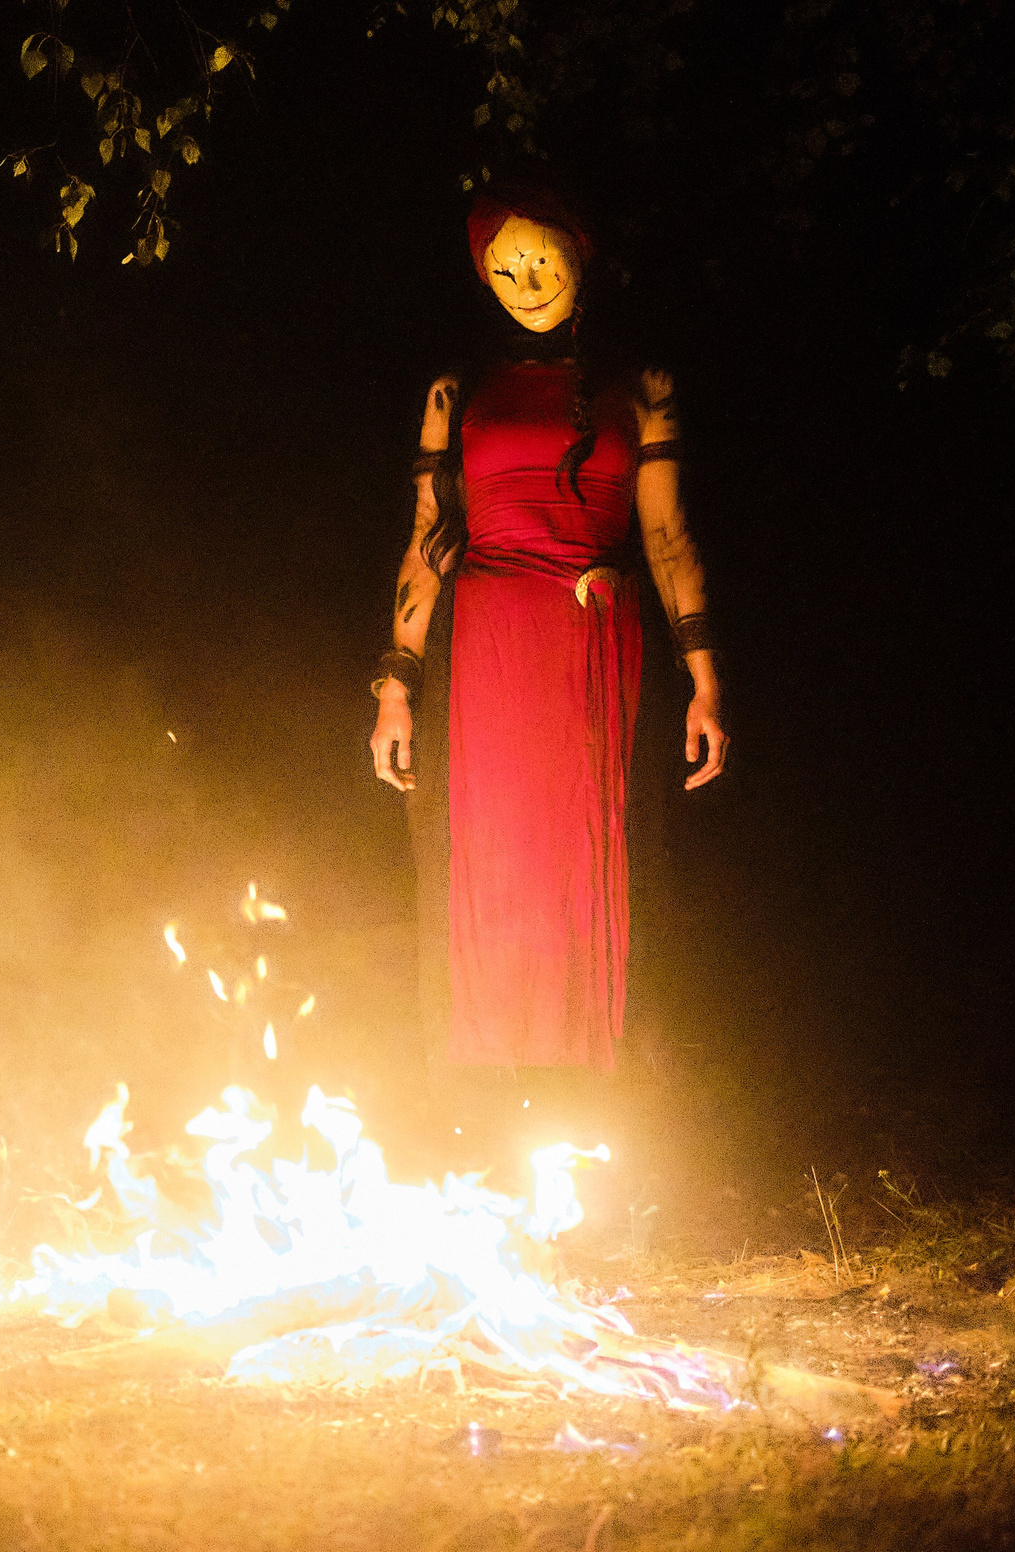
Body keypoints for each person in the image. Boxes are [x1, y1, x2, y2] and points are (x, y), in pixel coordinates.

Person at [367, 176, 725, 1144]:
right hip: (484, 654)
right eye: (501, 265)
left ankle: (592, 1118)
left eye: (539, 257)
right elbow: (426, 538)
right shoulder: (458, 394)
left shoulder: (638, 387)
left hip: (590, 654)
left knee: (592, 865)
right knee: (485, 869)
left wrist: (704, 676)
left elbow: (667, 535)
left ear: (581, 254)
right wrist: (395, 685)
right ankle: (480, 1120)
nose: (522, 278)